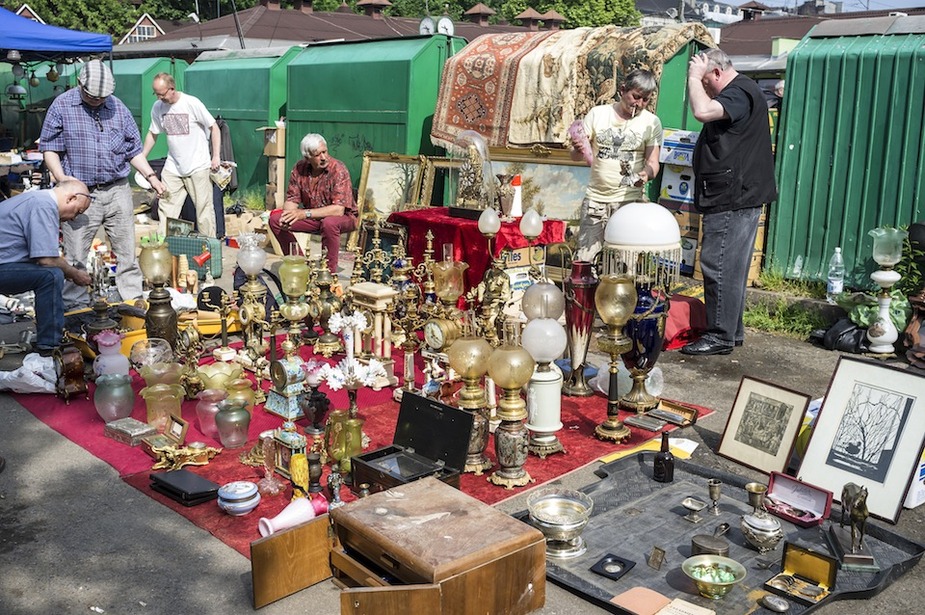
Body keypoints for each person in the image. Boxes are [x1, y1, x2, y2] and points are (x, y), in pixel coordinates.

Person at [40, 59, 165, 310]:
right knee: (76, 257)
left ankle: (131, 303)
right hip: (80, 193)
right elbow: (49, 148)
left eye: (103, 97)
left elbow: (133, 150)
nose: (98, 100)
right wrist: (64, 181)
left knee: (127, 253)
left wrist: (152, 177)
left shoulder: (118, 107)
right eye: (92, 96)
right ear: (80, 84)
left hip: (118, 189)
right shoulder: (62, 106)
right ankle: (75, 309)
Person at [681, 49, 778, 356]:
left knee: (718, 263)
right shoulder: (744, 91)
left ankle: (720, 334)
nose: (704, 88)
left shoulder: (739, 92)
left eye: (707, 80)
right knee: (731, 266)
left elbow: (703, 111)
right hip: (736, 194)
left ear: (718, 73)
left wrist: (694, 77)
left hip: (732, 197)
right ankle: (730, 331)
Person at [570, 69, 663, 263]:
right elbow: (576, 158)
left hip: (628, 203)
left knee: (625, 263)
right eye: (636, 97)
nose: (639, 104)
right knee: (586, 262)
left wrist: (645, 175)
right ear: (622, 90)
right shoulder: (598, 114)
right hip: (596, 201)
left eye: (645, 100)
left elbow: (653, 163)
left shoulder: (651, 122)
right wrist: (578, 149)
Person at [0, 180, 94, 355]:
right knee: (51, 275)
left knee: (51, 273)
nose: (74, 218)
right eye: (77, 211)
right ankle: (49, 346)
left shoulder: (38, 199)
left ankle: (49, 340)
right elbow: (46, 259)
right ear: (71, 198)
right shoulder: (44, 205)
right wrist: (74, 274)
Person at [142, 72, 221, 238]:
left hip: (198, 166)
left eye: (161, 93)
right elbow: (153, 133)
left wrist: (215, 156)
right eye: (156, 93)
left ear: (172, 89)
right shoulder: (158, 107)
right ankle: (164, 248)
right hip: (173, 167)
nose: (159, 97)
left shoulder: (191, 103)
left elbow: (214, 127)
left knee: (204, 211)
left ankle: (210, 249)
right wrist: (142, 156)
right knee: (166, 207)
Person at [268, 133, 357, 273]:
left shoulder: (338, 169)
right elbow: (292, 199)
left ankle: (328, 273)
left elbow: (338, 210)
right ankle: (298, 263)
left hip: (343, 218)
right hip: (314, 217)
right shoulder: (299, 169)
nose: (323, 157)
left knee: (329, 223)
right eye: (317, 155)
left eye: (324, 152)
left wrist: (304, 213)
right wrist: (288, 214)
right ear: (307, 158)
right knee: (276, 220)